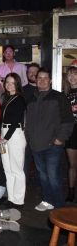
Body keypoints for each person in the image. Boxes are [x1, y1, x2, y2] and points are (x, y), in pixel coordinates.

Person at [25, 68, 74, 210]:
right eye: (39, 78)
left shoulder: (58, 97)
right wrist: (29, 138)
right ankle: (47, 200)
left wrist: (60, 139)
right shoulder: (31, 99)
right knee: (43, 176)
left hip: (53, 145)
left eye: (45, 78)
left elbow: (68, 121)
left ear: (51, 80)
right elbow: (28, 122)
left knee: (53, 176)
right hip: (35, 144)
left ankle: (59, 206)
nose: (42, 80)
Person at [0, 73, 26, 208]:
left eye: (12, 82)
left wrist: (5, 139)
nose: (9, 85)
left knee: (17, 169)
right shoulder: (7, 98)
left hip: (15, 134)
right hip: (4, 133)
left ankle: (19, 201)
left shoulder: (20, 99)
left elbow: (16, 120)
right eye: (7, 82)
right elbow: (1, 119)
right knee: (7, 168)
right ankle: (11, 198)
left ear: (17, 84)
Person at [64, 66, 77, 202]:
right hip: (71, 130)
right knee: (72, 164)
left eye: (75, 74)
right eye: (69, 75)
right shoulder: (65, 94)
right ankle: (71, 191)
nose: (72, 77)